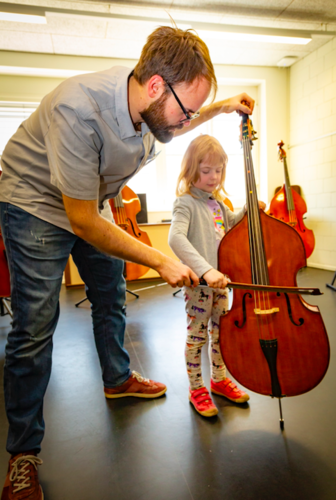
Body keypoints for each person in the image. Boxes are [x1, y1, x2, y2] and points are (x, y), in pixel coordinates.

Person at [0, 25, 254, 499]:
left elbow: (176, 125)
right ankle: (23, 454)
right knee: (34, 327)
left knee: (111, 296)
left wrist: (218, 109)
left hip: (87, 201)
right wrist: (160, 259)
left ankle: (117, 380)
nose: (187, 120)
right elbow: (79, 219)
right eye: (188, 108)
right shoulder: (77, 107)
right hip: (34, 201)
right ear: (157, 86)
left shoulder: (153, 108)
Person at [169, 135, 265, 418]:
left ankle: (219, 380)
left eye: (218, 170)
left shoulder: (217, 203)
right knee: (197, 337)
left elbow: (230, 223)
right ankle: (196, 387)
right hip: (200, 286)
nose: (213, 177)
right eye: (206, 170)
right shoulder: (184, 203)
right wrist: (205, 270)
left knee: (221, 334)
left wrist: (248, 209)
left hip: (222, 283)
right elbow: (175, 238)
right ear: (190, 169)